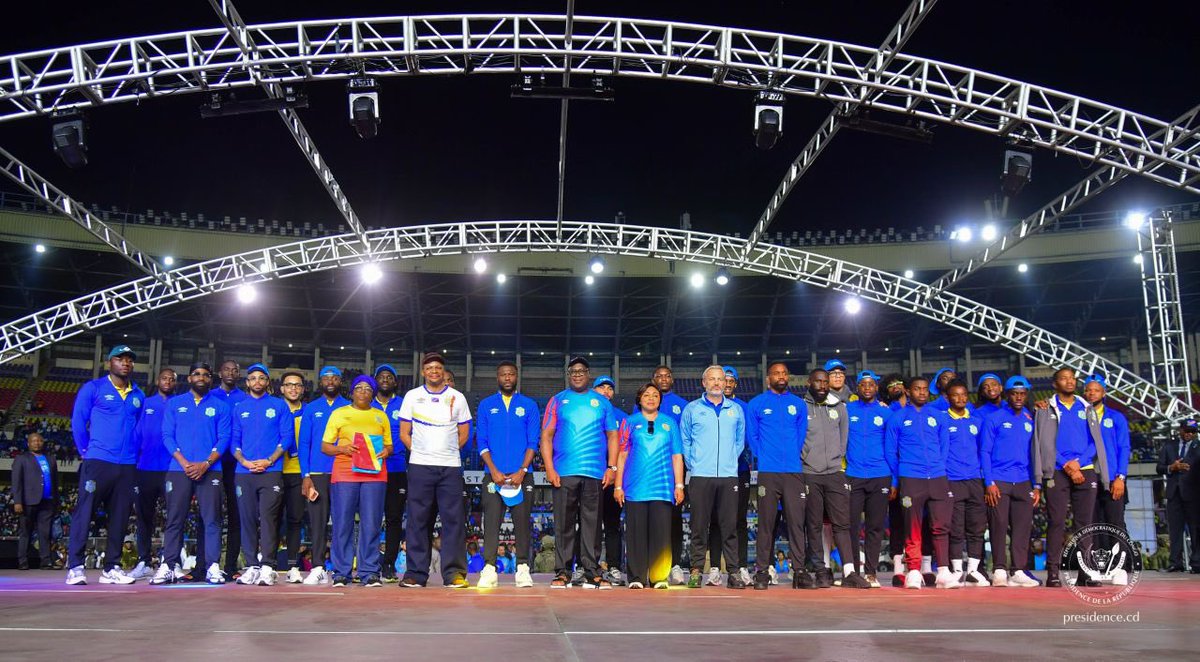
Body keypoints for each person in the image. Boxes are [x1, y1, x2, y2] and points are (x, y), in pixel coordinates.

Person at [67, 344, 145, 586]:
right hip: (98, 461)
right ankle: (76, 566)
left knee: (121, 517)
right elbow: (79, 422)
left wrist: (134, 454)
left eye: (129, 360)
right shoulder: (94, 388)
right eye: (120, 359)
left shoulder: (138, 395)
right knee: (85, 513)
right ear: (109, 363)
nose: (126, 363)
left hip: (127, 465)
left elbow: (138, 428)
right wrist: (85, 451)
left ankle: (112, 567)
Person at [541, 356, 618, 589]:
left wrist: (612, 467)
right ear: (568, 374)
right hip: (564, 472)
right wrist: (549, 468)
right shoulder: (557, 400)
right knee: (563, 524)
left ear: (588, 374)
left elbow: (613, 436)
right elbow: (546, 436)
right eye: (573, 371)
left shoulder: (602, 402)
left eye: (581, 370)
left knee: (592, 524)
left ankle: (592, 571)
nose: (577, 374)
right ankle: (563, 571)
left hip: (594, 472)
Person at [153, 362, 231, 585]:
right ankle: (168, 565)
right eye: (197, 374)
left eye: (206, 375)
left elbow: (223, 438)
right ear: (189, 378)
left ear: (211, 380)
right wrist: (185, 462)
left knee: (212, 520)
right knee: (174, 520)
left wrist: (206, 463)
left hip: (211, 470)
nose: (201, 377)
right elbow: (167, 435)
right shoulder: (176, 404)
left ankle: (213, 567)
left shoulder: (220, 406)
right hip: (179, 469)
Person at [400, 353, 472, 588]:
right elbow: (404, 432)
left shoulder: (457, 397)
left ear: (443, 372)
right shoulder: (412, 396)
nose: (434, 371)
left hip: (450, 466)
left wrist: (447, 451)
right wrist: (420, 451)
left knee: (453, 520)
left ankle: (454, 574)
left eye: (438, 368)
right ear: (423, 372)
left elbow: (464, 433)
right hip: (420, 465)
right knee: (418, 520)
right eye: (429, 367)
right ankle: (415, 574)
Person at [885, 375, 959, 589]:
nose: (922, 392)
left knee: (941, 526)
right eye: (917, 389)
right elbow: (891, 451)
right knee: (912, 526)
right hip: (910, 478)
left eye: (925, 389)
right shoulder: (897, 418)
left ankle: (943, 571)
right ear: (908, 391)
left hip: (937, 477)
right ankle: (914, 571)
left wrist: (939, 467)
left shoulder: (939, 417)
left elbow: (944, 447)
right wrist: (898, 478)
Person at [680, 365, 748, 589]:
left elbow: (739, 442)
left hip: (729, 476)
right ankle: (696, 571)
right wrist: (695, 464)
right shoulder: (692, 409)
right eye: (713, 379)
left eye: (721, 379)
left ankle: (734, 572)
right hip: (700, 475)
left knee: (729, 527)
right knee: (699, 526)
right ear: (704, 383)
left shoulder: (736, 409)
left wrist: (729, 461)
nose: (717, 383)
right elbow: (685, 442)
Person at [322, 375, 393, 587]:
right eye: (359, 388)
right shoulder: (339, 414)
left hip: (375, 475)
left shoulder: (381, 416)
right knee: (342, 523)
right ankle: (341, 572)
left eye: (368, 389)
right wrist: (342, 449)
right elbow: (325, 446)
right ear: (351, 392)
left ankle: (369, 571)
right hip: (345, 473)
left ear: (373, 394)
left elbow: (389, 446)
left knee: (371, 524)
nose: (363, 391)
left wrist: (385, 452)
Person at [745, 362, 810, 590]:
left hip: (793, 471)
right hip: (768, 472)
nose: (781, 376)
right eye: (776, 373)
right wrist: (764, 457)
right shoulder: (757, 404)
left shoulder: (798, 405)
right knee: (766, 524)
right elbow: (752, 437)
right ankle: (762, 571)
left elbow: (801, 436)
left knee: (796, 523)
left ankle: (799, 571)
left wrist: (792, 456)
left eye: (784, 373)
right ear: (768, 378)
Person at [475, 360, 539, 588]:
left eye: (511, 374)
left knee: (522, 523)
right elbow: (481, 440)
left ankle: (522, 568)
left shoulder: (529, 405)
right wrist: (493, 470)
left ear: (517, 377)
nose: (508, 378)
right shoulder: (486, 405)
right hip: (493, 474)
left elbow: (533, 441)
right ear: (497, 377)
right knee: (491, 523)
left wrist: (523, 470)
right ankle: (489, 569)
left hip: (523, 475)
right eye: (503, 374)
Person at [1035, 367, 1101, 588]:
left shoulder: (1086, 406)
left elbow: (1094, 441)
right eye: (1064, 378)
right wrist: (1066, 463)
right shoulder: (1045, 408)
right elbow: (1045, 442)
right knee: (1056, 522)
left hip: (1085, 468)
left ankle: (1086, 572)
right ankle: (1053, 572)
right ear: (1055, 384)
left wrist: (1078, 463)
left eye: (1072, 378)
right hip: (1057, 469)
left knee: (1085, 524)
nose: (1069, 381)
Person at [615, 382, 684, 590]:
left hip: (662, 488)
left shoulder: (670, 423)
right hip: (635, 488)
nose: (651, 398)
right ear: (640, 399)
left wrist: (679, 485)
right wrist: (618, 486)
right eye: (647, 395)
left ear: (660, 400)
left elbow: (677, 456)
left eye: (655, 395)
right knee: (635, 534)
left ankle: (659, 577)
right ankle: (636, 576)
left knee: (661, 535)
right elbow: (622, 455)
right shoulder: (629, 422)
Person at [231, 364, 293, 586]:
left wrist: (269, 460)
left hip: (271, 471)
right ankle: (250, 566)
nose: (257, 381)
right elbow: (234, 441)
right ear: (247, 383)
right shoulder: (239, 407)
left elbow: (286, 438)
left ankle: (268, 565)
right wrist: (245, 461)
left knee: (268, 519)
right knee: (246, 519)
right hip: (244, 472)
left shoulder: (278, 406)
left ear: (268, 382)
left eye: (261, 378)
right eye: (253, 378)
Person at [981, 376, 1042, 587]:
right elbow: (985, 451)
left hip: (1024, 480)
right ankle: (999, 569)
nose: (1018, 397)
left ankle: (1018, 570)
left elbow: (1035, 454)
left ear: (1026, 395)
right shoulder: (995, 418)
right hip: (999, 479)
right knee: (998, 525)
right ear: (1007, 395)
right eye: (1014, 394)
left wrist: (1037, 485)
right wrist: (989, 481)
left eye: (1022, 394)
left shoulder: (1029, 419)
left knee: (1022, 527)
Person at [800, 368, 854, 589]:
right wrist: (806, 458)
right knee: (813, 525)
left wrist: (835, 458)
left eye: (825, 382)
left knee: (842, 523)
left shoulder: (839, 406)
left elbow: (844, 436)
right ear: (809, 382)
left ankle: (849, 571)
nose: (822, 385)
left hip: (834, 472)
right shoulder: (801, 407)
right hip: (809, 472)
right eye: (818, 382)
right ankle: (821, 570)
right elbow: (798, 436)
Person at [297, 366, 350, 585]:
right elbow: (305, 443)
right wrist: (305, 475)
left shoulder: (349, 406)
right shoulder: (311, 408)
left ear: (340, 381)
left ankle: (340, 569)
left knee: (342, 522)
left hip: (343, 472)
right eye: (326, 378)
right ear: (320, 382)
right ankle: (318, 566)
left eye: (334, 378)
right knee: (317, 522)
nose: (330, 381)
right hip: (317, 473)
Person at [845, 370, 892, 588]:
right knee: (851, 526)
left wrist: (894, 480)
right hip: (853, 475)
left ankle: (871, 572)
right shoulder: (848, 410)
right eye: (863, 385)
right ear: (858, 388)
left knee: (874, 527)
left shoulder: (886, 412)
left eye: (870, 385)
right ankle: (853, 571)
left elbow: (892, 446)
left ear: (876, 388)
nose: (866, 388)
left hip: (880, 475)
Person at [1083, 375, 1132, 584]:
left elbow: (1124, 448)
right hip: (1088, 477)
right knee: (1091, 524)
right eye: (1088, 390)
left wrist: (1120, 476)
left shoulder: (1116, 417)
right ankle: (1094, 567)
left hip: (1113, 478)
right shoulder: (1080, 416)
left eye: (1096, 390)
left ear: (1104, 393)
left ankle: (1119, 568)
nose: (1091, 393)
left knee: (1115, 523)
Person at [130, 368, 176, 581]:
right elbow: (135, 433)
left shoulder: (179, 404)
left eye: (171, 379)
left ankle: (171, 562)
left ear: (176, 383)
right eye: (164, 378)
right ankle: (143, 561)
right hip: (145, 468)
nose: (167, 381)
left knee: (175, 517)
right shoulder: (146, 404)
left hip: (171, 469)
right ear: (158, 381)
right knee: (143, 517)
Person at [942, 379, 989, 586]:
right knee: (956, 528)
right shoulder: (943, 420)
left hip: (975, 480)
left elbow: (983, 451)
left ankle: (973, 570)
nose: (960, 398)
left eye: (963, 395)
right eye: (955, 395)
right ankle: (957, 570)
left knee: (977, 528)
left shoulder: (977, 421)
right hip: (952, 479)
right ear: (947, 397)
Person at [715, 366, 753, 587]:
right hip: (714, 472)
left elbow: (746, 439)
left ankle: (741, 567)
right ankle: (715, 569)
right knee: (716, 521)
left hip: (738, 470)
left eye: (730, 381)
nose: (726, 384)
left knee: (739, 521)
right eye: (723, 380)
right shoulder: (708, 405)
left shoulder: (744, 408)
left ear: (735, 384)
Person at [652, 365, 690, 585]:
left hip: (674, 469)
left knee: (675, 518)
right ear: (653, 379)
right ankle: (652, 563)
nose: (664, 379)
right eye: (659, 376)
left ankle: (675, 564)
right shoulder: (644, 404)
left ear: (672, 379)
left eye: (667, 376)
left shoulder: (683, 405)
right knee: (653, 518)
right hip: (651, 470)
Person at [212, 359, 248, 577]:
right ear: (219, 372)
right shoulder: (210, 396)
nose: (231, 373)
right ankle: (209, 564)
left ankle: (231, 566)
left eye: (235, 370)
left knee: (237, 515)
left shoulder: (244, 399)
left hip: (237, 465)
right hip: (214, 464)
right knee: (211, 514)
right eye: (227, 369)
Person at [370, 364, 407, 583]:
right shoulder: (365, 404)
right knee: (370, 518)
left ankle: (389, 564)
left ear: (395, 382)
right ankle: (369, 564)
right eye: (381, 376)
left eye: (389, 377)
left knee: (394, 518)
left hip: (396, 469)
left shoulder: (404, 405)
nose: (385, 379)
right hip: (369, 470)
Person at [592, 374, 628, 586]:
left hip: (614, 477)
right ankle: (588, 566)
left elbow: (626, 448)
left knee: (613, 525)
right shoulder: (587, 412)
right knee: (590, 525)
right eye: (601, 387)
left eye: (610, 388)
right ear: (594, 390)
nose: (606, 391)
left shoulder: (622, 417)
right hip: (592, 475)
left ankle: (614, 567)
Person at [277, 371, 308, 583]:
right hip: (275, 471)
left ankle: (293, 565)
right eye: (289, 385)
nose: (293, 389)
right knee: (271, 519)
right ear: (282, 389)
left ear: (303, 389)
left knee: (296, 519)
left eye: (297, 385)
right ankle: (266, 563)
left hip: (298, 471)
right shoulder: (273, 409)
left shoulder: (309, 412)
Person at [1157, 419, 1199, 572]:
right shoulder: (1169, 446)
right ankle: (1175, 562)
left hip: (1194, 495)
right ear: (1180, 430)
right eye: (1187, 430)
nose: (1189, 434)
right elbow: (1159, 467)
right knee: (1175, 530)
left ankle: (1197, 563)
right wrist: (1171, 467)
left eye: (1193, 431)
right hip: (1174, 494)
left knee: (1195, 530)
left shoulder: (1198, 447)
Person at [12, 432, 59, 570]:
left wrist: (56, 501)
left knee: (45, 533)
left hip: (47, 501)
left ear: (42, 442)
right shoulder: (21, 458)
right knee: (25, 532)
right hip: (28, 501)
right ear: (28, 443)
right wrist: (17, 501)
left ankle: (46, 561)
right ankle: (23, 562)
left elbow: (55, 482)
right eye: (34, 441)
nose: (37, 443)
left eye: (39, 440)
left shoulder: (50, 459)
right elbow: (16, 481)